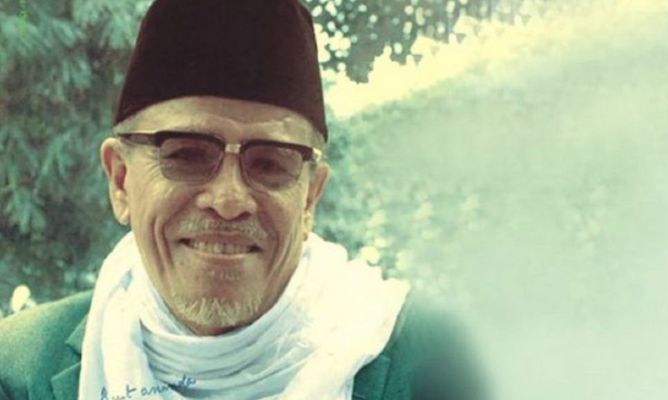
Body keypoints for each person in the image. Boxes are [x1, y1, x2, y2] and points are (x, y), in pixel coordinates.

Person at [0, 0, 487, 399]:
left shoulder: (435, 369)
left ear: (309, 197)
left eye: (270, 163)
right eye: (186, 154)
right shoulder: (21, 371)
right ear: (121, 180)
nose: (229, 200)